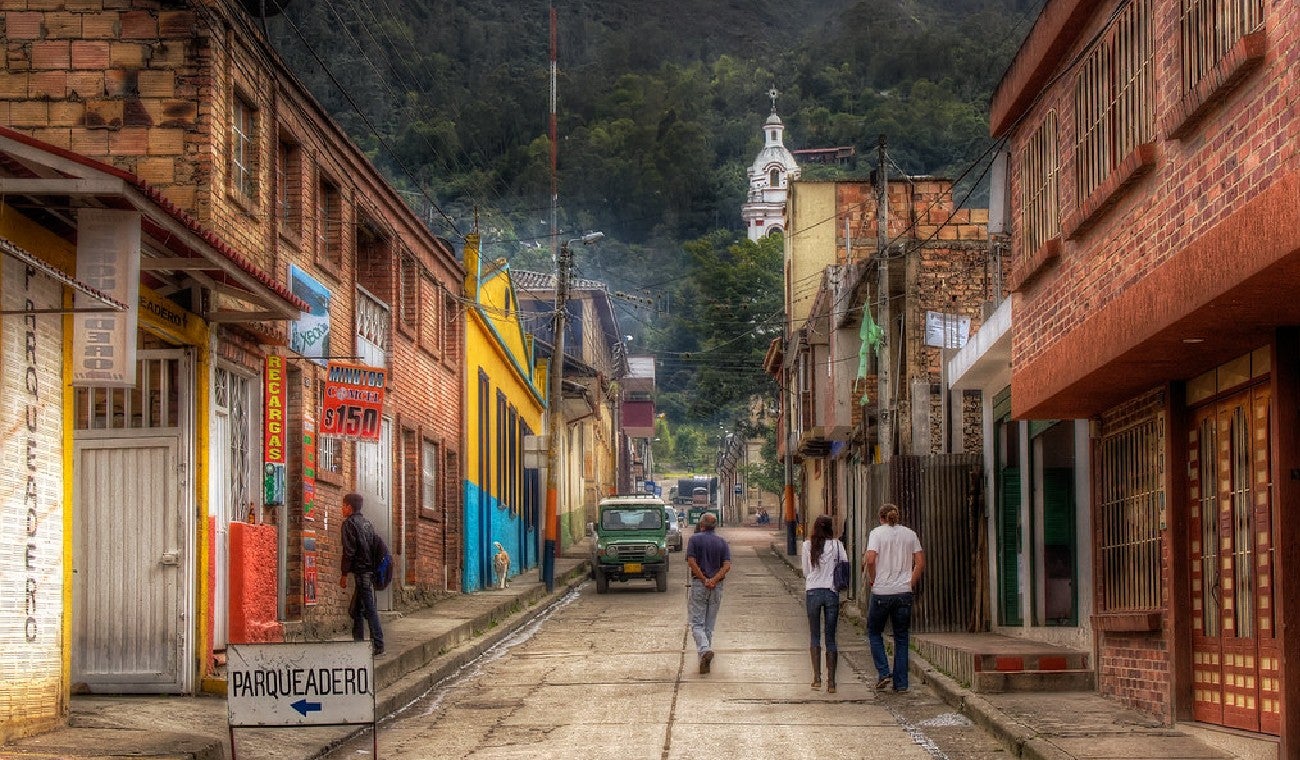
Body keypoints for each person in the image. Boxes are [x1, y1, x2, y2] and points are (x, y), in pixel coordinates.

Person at [864, 503, 924, 692]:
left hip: (881, 592)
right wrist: (910, 583)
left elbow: (870, 559)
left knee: (874, 632)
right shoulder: (910, 534)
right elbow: (920, 562)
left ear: (880, 517)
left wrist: (873, 579)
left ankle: (883, 672)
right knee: (901, 637)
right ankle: (901, 683)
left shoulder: (876, 533)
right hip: (903, 592)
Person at [801, 514, 847, 693]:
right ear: (830, 528)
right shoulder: (837, 545)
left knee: (814, 635)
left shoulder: (807, 545)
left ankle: (817, 678)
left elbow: (806, 571)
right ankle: (832, 683)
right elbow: (845, 565)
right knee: (830, 637)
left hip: (813, 591)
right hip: (831, 591)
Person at [685, 512, 731, 674]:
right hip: (716, 587)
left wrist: (704, 579)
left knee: (697, 624)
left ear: (702, 525)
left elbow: (691, 561)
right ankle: (704, 662)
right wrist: (714, 580)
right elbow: (727, 565)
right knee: (709, 627)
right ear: (715, 526)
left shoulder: (694, 539)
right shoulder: (722, 542)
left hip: (700, 585)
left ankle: (704, 650)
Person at [340, 493, 385, 656]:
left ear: (349, 507)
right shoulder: (367, 524)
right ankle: (358, 643)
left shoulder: (349, 524)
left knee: (369, 609)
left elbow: (349, 551)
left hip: (361, 573)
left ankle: (378, 644)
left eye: (343, 506)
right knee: (358, 609)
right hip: (369, 572)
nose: (342, 509)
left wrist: (344, 574)